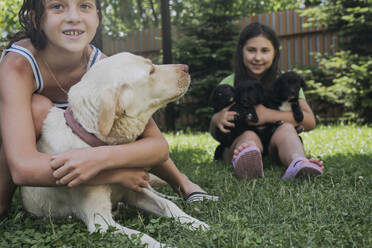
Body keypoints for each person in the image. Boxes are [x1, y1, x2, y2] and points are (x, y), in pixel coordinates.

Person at [0, 0, 217, 217]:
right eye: (57, 6)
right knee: (39, 108)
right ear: (36, 18)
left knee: (126, 124)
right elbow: (23, 167)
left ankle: (184, 184)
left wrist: (101, 159)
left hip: (76, 151)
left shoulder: (103, 68)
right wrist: (115, 174)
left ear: (98, 17)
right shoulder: (18, 66)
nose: (74, 17)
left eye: (85, 6)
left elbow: (156, 146)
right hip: (16, 143)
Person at [209, 22, 324, 180]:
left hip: (274, 148)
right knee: (249, 136)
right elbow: (214, 130)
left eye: (265, 51)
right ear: (241, 51)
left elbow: (310, 121)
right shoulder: (229, 83)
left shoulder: (288, 82)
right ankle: (247, 161)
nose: (257, 57)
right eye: (251, 50)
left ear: (275, 53)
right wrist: (217, 119)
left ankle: (297, 161)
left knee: (287, 130)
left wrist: (267, 115)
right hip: (239, 143)